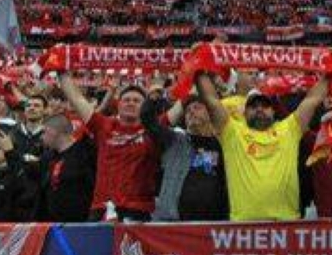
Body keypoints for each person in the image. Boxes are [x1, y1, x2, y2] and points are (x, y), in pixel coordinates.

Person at [196, 74, 328, 221]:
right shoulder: (233, 132)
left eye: (265, 106)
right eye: (253, 106)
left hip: (286, 224)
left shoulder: (289, 129)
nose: (259, 109)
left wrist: (330, 74)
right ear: (244, 112)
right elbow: (211, 101)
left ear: (273, 111)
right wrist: (198, 69)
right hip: (244, 226)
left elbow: (312, 100)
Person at [58, 72, 159, 221]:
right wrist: (61, 71)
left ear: (145, 107)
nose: (131, 103)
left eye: (137, 101)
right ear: (118, 105)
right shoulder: (104, 125)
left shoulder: (155, 129)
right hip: (102, 208)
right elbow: (76, 99)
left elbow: (181, 107)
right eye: (126, 100)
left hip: (139, 210)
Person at [141, 95, 227, 221]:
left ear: (209, 115)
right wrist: (154, 99)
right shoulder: (174, 140)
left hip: (214, 222)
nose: (191, 112)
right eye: (187, 111)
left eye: (197, 108)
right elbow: (149, 122)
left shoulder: (222, 144)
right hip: (175, 221)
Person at [34, 113, 95, 222]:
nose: (41, 137)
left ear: (54, 131)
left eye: (44, 132)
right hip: (52, 224)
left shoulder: (84, 153)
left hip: (80, 223)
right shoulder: (47, 158)